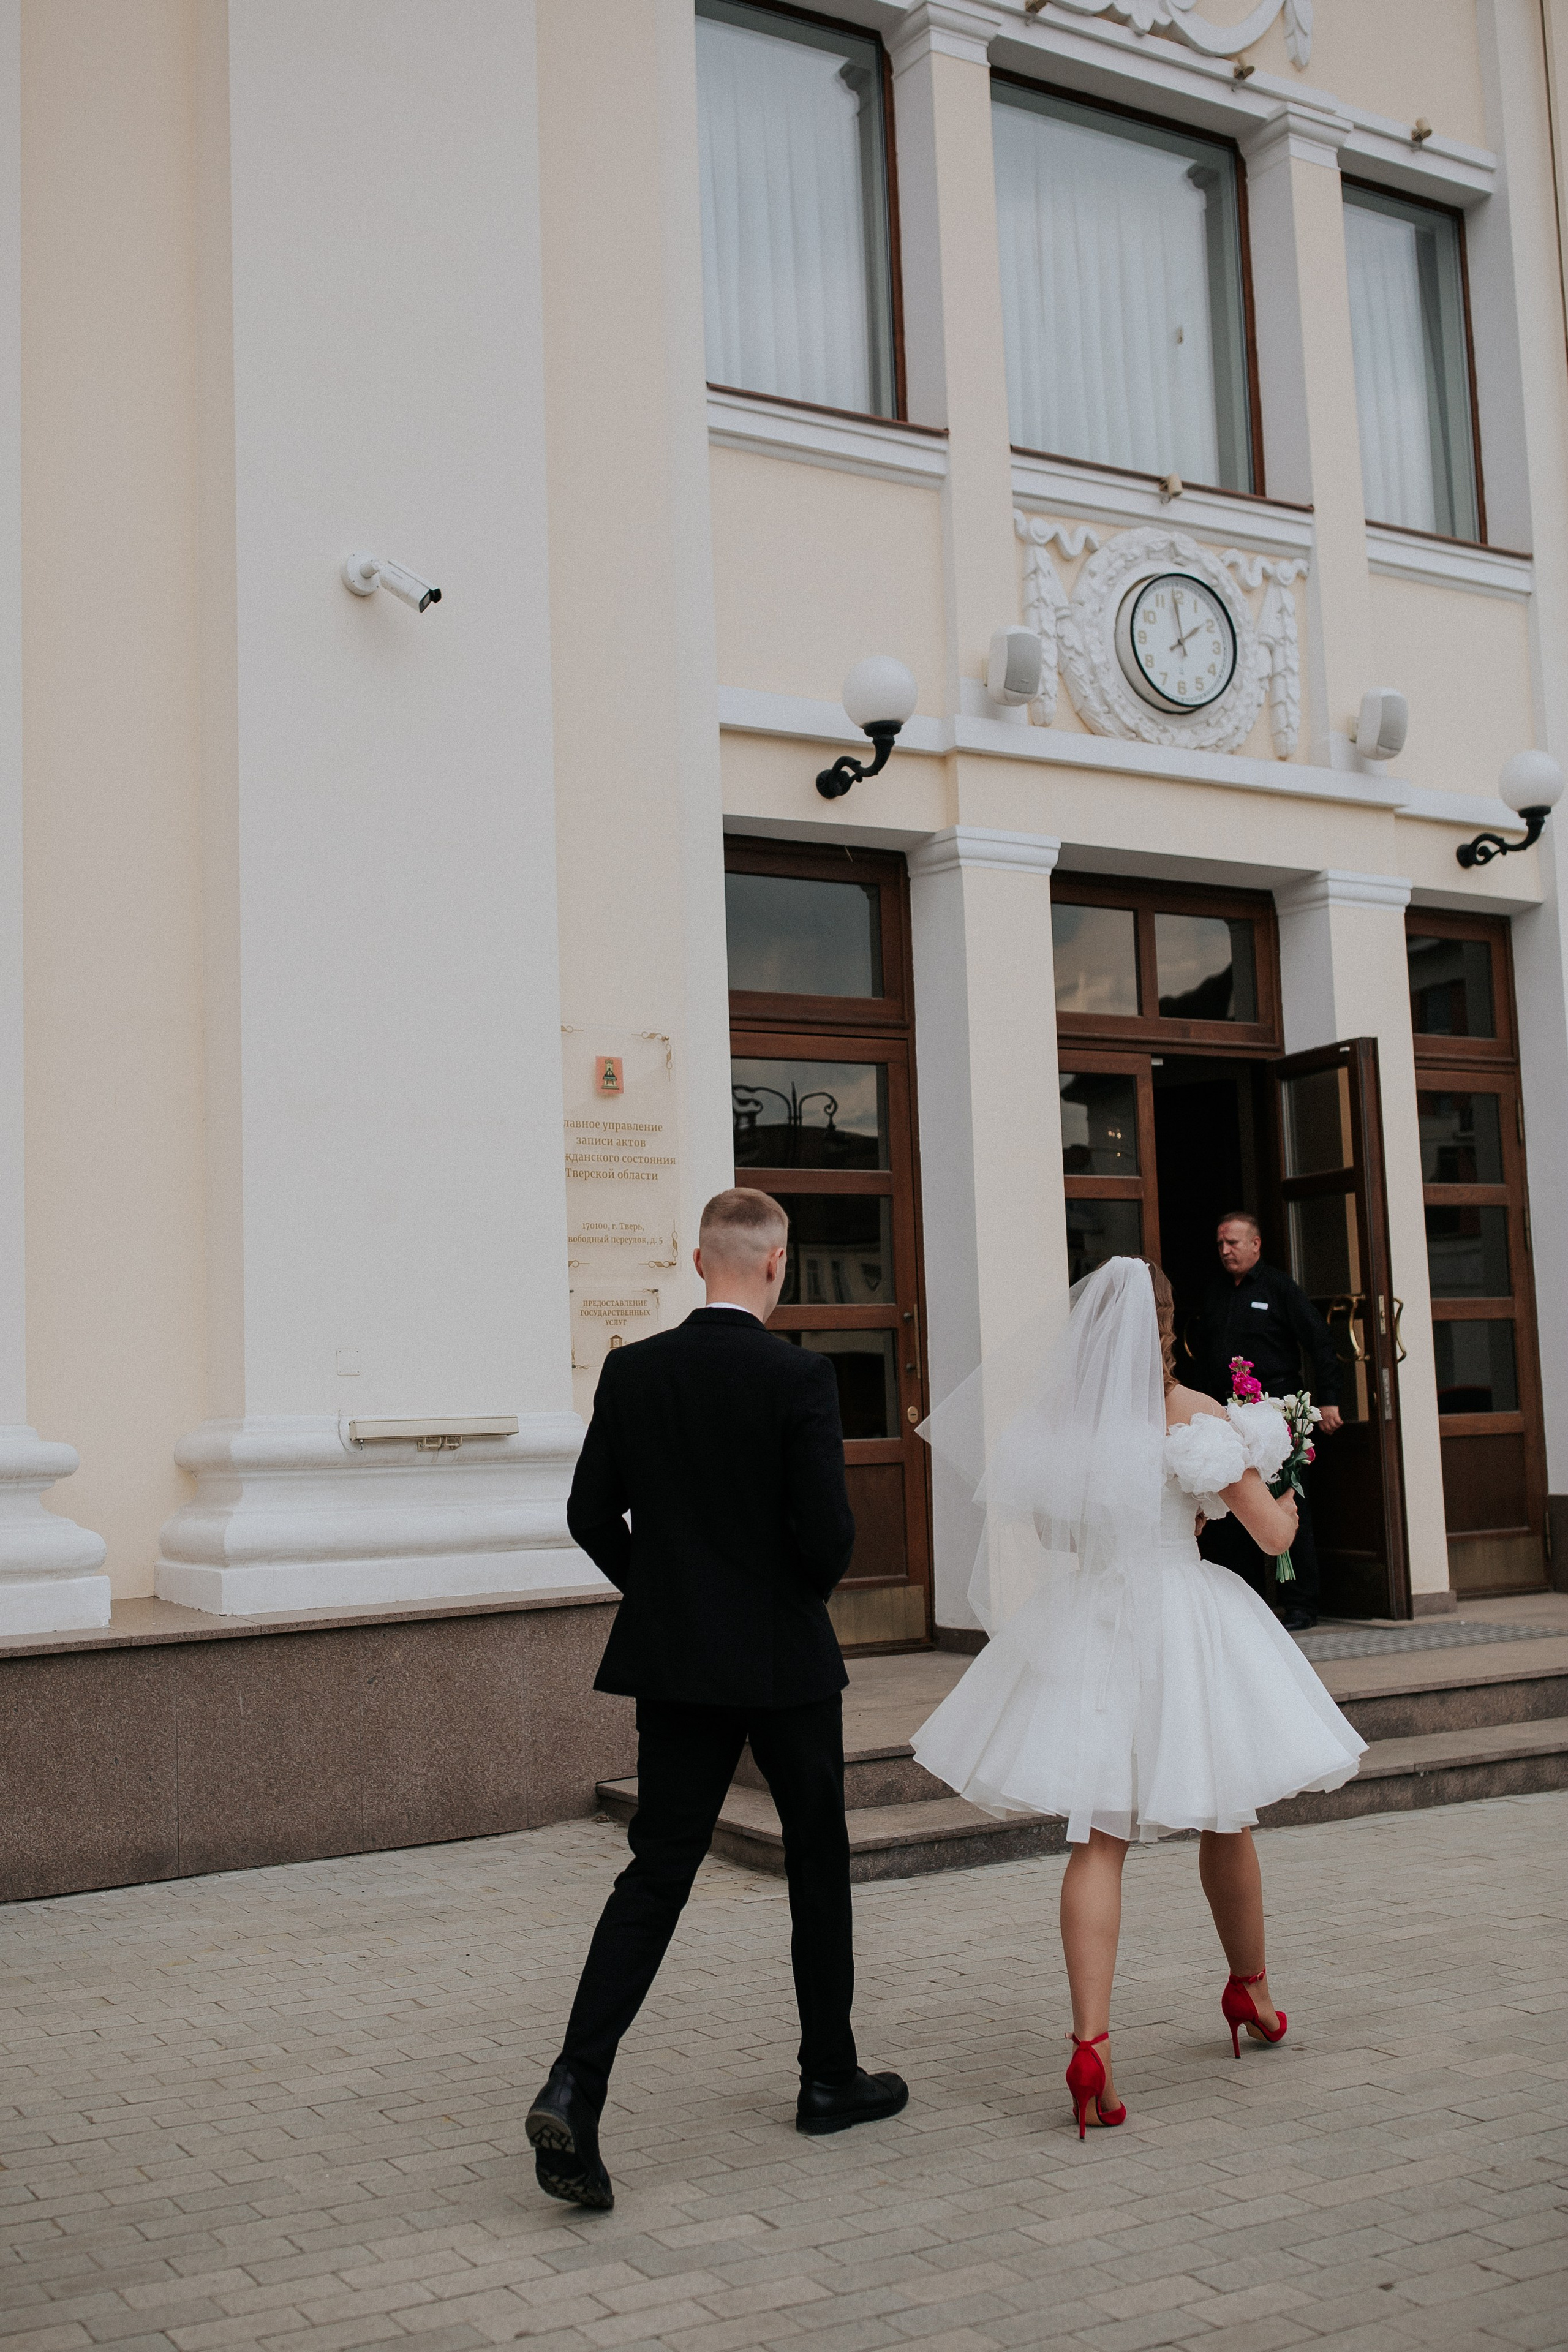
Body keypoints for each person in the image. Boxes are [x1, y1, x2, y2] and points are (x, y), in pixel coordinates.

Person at [910, 1257, 1364, 2138]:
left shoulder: (1063, 1424)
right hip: (1183, 1619)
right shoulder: (1192, 1413)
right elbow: (1271, 1535)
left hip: (1092, 1620)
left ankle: (1091, 2047)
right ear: (1167, 1324)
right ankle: (1251, 1991)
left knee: (1097, 1839)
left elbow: (1057, 1534)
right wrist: (1284, 1491)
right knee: (1226, 1814)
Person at [524, 1186, 908, 2211]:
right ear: (778, 1262)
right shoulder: (800, 1376)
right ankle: (828, 2077)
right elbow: (829, 1536)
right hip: (785, 1661)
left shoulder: (635, 1370)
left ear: (699, 1263)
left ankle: (576, 2082)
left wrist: (665, 1595)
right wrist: (788, 1596)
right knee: (816, 1858)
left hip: (678, 1662)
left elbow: (589, 1513)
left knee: (657, 1871)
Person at [1193, 1210, 1343, 1632]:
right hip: (1228, 1415)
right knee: (1235, 1505)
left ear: (1256, 1245)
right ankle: (1249, 1602)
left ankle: (1300, 1603)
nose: (1225, 1251)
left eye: (1233, 1243)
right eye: (1221, 1244)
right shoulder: (1215, 1292)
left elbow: (1320, 1342)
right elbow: (1203, 1356)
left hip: (1276, 1414)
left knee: (1288, 1502)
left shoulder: (1279, 1288)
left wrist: (1330, 1400)